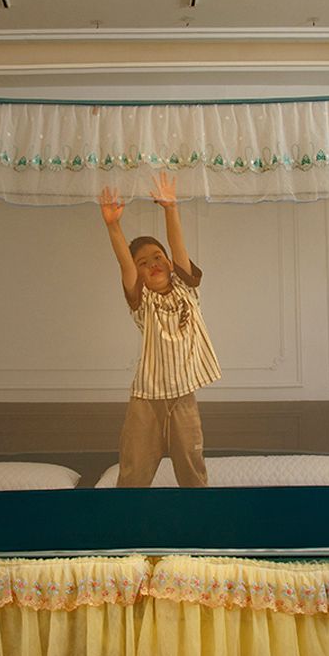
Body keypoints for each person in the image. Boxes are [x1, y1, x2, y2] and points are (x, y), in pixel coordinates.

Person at [98, 172, 221, 487]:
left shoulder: (185, 289)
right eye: (143, 263)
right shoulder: (143, 302)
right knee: (134, 472)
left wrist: (171, 209)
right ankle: (127, 519)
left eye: (157, 257)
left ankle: (199, 517)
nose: (152, 263)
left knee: (192, 470)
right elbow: (125, 265)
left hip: (183, 395)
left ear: (168, 263)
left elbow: (178, 248)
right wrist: (113, 227)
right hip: (147, 399)